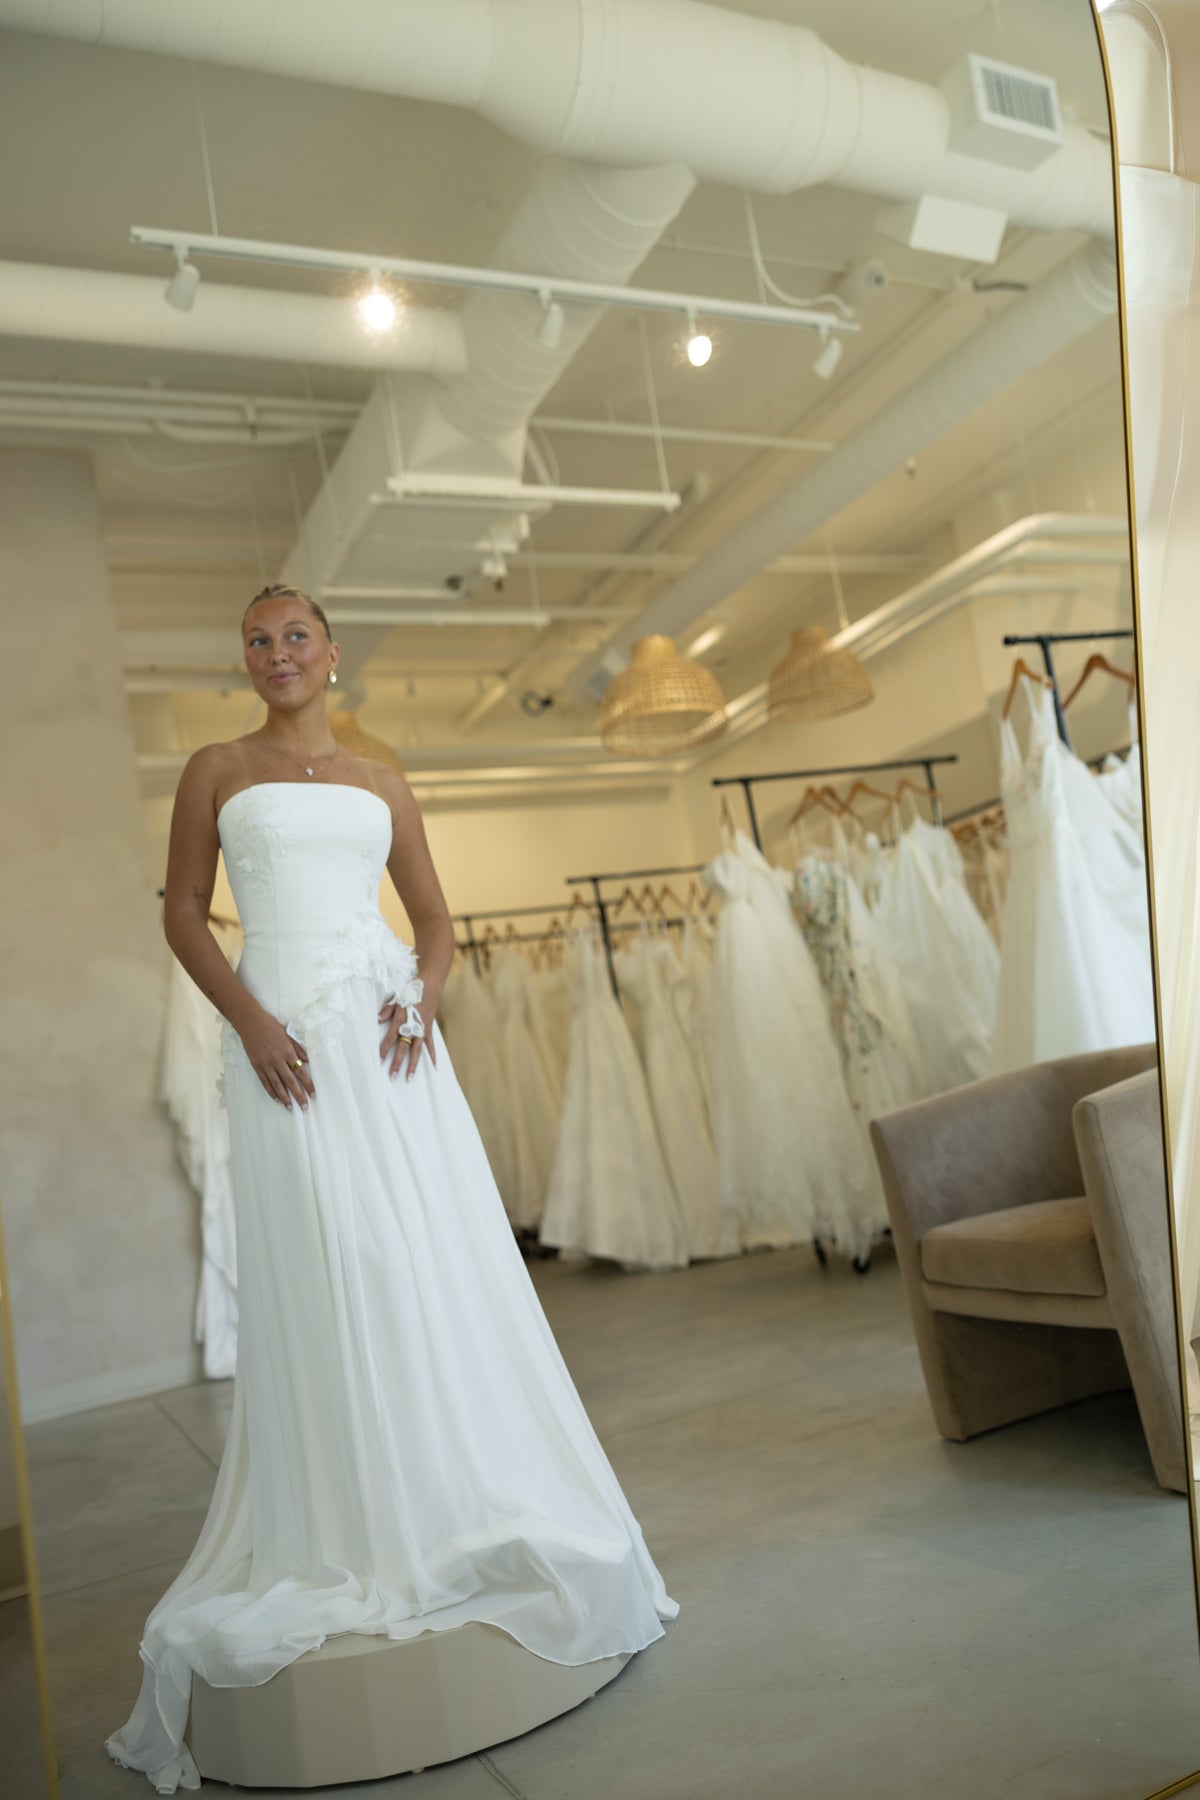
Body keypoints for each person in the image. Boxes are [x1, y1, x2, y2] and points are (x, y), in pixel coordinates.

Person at [106, 583, 677, 1793]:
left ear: (332, 651)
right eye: (256, 639)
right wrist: (252, 1022)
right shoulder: (216, 769)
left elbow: (435, 922)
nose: (275, 652)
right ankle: (350, 1517)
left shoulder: (382, 781)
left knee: (421, 1261)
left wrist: (422, 997)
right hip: (286, 1049)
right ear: (246, 660)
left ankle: (445, 1490)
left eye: (294, 635)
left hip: (388, 1048)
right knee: (330, 1261)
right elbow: (182, 915)